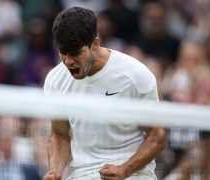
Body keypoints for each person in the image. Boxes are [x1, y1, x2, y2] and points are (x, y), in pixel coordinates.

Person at [43, 7, 166, 180]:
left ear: (94, 44)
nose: (68, 61)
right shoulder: (55, 80)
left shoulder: (135, 75)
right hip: (81, 175)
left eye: (76, 53)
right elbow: (59, 134)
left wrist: (125, 169)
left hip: (134, 175)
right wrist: (55, 170)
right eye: (63, 53)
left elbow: (157, 135)